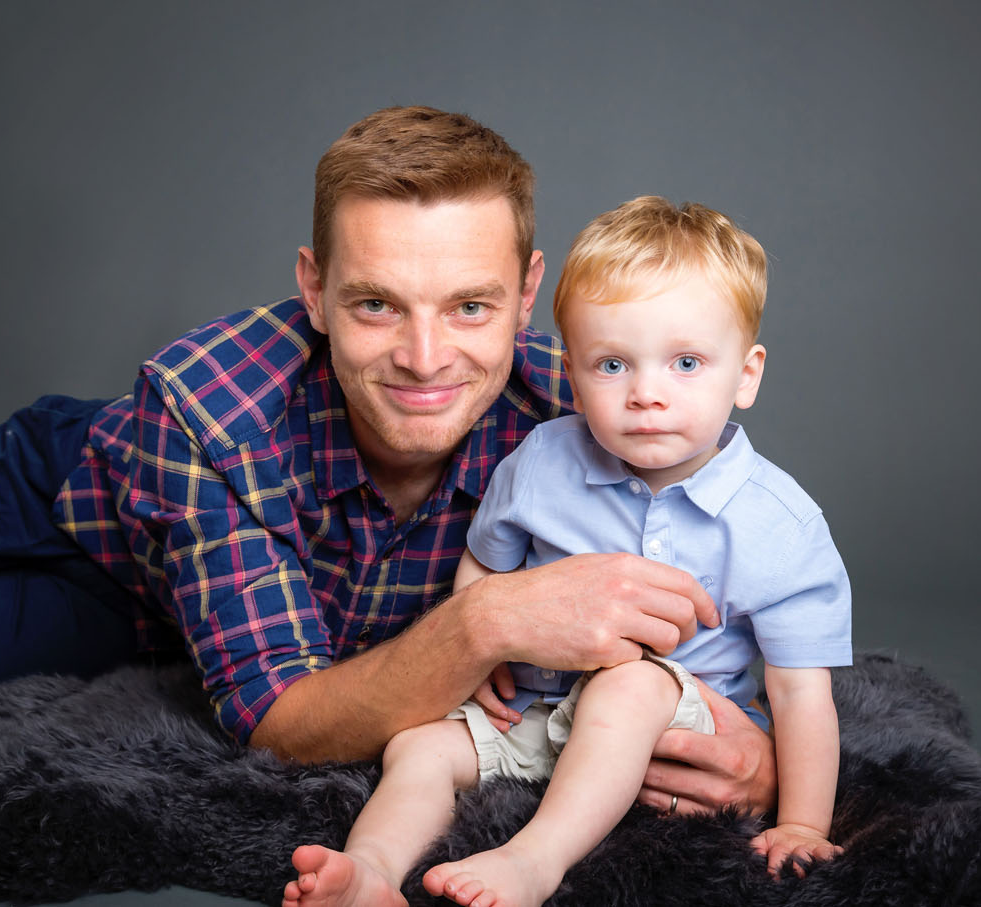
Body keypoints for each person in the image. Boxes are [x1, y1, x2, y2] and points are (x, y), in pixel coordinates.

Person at [0, 107, 775, 815]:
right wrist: (484, 618)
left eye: (469, 307)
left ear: (529, 292)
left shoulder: (590, 405)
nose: (425, 356)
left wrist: (764, 762)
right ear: (314, 289)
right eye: (376, 305)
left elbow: (744, 588)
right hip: (65, 496)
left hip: (129, 612)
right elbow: (282, 722)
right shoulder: (207, 407)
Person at [281, 196, 852, 907]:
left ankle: (532, 860)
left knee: (632, 681)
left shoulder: (780, 524)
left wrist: (801, 820)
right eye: (612, 364)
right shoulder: (540, 462)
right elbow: (485, 566)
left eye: (685, 362)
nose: (647, 393)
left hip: (671, 730)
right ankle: (366, 870)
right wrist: (476, 647)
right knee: (419, 746)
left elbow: (802, 690)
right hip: (541, 713)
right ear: (572, 374)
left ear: (746, 374)